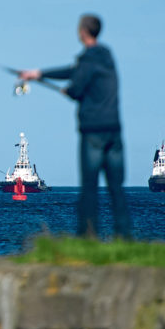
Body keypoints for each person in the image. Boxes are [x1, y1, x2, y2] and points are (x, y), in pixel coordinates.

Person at [19, 14, 132, 239]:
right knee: (116, 188)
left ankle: (88, 236)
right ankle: (125, 236)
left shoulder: (88, 59)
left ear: (82, 32)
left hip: (93, 132)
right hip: (114, 130)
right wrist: (38, 74)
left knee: (89, 187)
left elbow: (76, 87)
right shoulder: (106, 56)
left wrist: (67, 90)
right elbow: (74, 70)